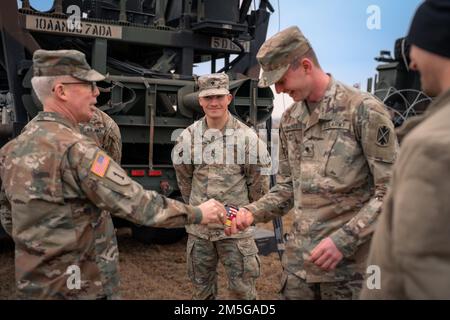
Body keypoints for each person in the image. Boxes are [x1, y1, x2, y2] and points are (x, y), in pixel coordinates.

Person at [0, 49, 226, 300]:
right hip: (83, 287)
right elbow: (137, 204)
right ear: (61, 91)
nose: (97, 93)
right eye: (88, 85)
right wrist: (198, 213)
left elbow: (9, 215)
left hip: (34, 286)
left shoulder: (11, 150)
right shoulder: (79, 150)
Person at [229, 26, 399, 299]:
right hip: (299, 270)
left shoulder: (363, 111)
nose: (280, 90)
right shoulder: (290, 121)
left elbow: (391, 191)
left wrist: (343, 241)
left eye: (282, 80)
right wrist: (252, 212)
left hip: (350, 273)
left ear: (306, 66)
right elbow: (286, 188)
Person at [360, 0, 450, 299]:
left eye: (415, 47)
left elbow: (426, 274)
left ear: (437, 45)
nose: (411, 63)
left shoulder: (431, 146)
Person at [172, 73, 270, 300]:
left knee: (242, 292)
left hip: (234, 230)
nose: (213, 103)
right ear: (200, 101)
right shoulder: (188, 138)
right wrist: (197, 210)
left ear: (229, 98)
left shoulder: (247, 138)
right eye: (208, 98)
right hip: (200, 232)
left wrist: (247, 214)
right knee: (201, 292)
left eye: (218, 97)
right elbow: (184, 180)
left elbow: (258, 185)